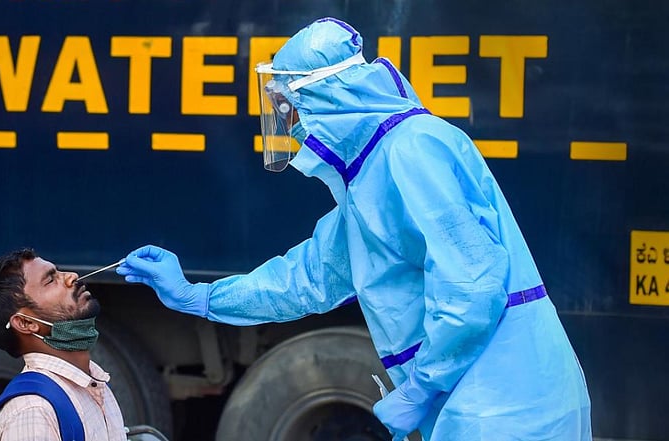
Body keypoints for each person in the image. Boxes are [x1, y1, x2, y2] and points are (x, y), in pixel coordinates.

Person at [117, 17, 592, 441]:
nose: (290, 122)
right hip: (476, 400)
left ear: (324, 96)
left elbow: (472, 289)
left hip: (506, 403)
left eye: (289, 106)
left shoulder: (412, 150)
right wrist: (199, 297)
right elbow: (307, 279)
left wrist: (422, 387)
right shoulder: (371, 174)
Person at [0, 248, 127, 441]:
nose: (72, 277)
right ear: (26, 323)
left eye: (58, 271)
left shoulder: (94, 382)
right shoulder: (34, 412)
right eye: (50, 280)